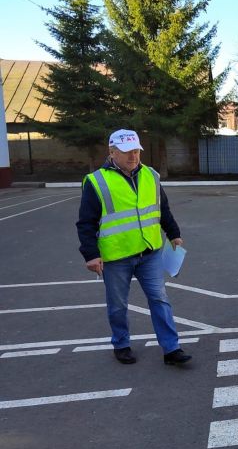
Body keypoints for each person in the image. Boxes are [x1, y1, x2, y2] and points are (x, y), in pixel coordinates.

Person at [76, 129, 192, 366]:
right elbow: (86, 222)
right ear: (112, 152)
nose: (133, 156)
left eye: (136, 151)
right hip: (117, 256)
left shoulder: (150, 175)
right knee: (118, 305)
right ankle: (121, 344)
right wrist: (91, 255)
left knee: (160, 299)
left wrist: (174, 234)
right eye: (127, 152)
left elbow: (162, 209)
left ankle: (172, 349)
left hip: (149, 252)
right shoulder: (97, 182)